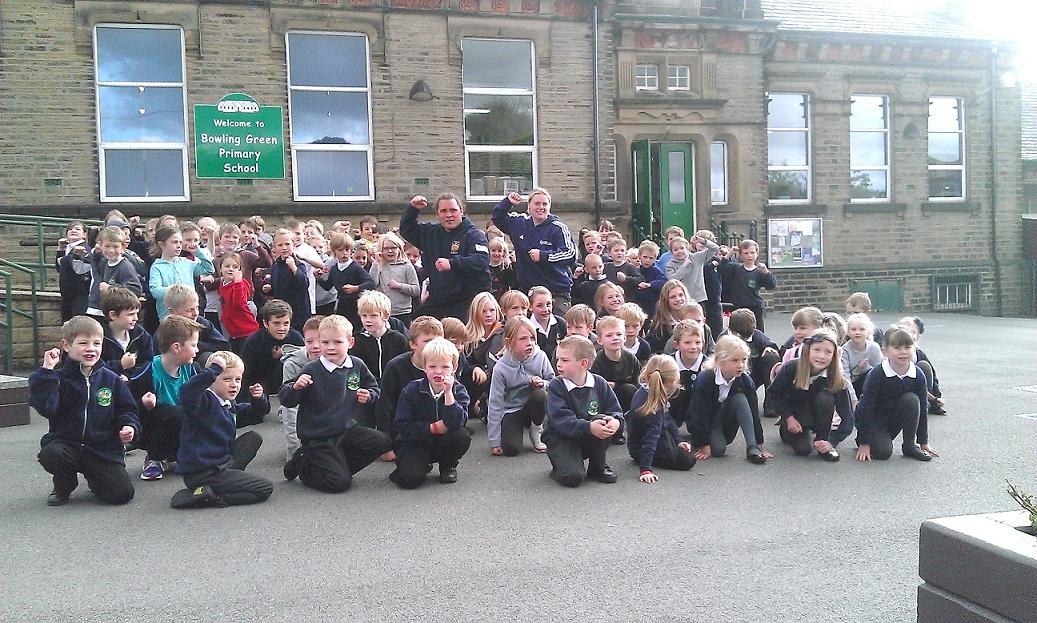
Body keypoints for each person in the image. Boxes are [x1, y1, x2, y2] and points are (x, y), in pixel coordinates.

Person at [29, 316, 139, 506]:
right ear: (66, 345)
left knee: (122, 494)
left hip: (101, 449)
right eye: (83, 343)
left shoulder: (111, 379)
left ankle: (96, 478)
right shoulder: (59, 378)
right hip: (67, 444)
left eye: (97, 343)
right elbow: (46, 407)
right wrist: (47, 370)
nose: (91, 348)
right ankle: (64, 481)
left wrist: (129, 426)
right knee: (51, 454)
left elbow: (127, 409)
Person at [279, 315, 393, 493]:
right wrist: (296, 387)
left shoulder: (356, 365)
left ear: (350, 342)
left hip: (346, 428)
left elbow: (374, 388)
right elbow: (286, 399)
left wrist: (368, 395)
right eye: (325, 342)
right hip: (318, 436)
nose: (330, 347)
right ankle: (305, 464)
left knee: (383, 441)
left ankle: (336, 467)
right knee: (339, 484)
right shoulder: (312, 369)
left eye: (337, 342)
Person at [170, 351, 273, 508]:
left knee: (253, 438)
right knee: (265, 488)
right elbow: (187, 392)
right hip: (203, 472)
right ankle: (210, 496)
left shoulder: (227, 403)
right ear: (211, 381)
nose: (234, 384)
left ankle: (221, 484)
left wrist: (258, 399)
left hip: (221, 463)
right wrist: (213, 370)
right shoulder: (202, 401)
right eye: (227, 379)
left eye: (238, 379)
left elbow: (254, 415)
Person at [390, 338, 473, 488]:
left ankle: (448, 465)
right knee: (410, 480)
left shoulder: (458, 390)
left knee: (461, 435)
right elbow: (402, 425)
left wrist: (448, 395)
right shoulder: (411, 390)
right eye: (432, 366)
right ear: (424, 367)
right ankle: (413, 466)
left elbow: (457, 423)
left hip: (444, 440)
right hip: (416, 443)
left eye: (445, 367)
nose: (438, 372)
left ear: (454, 367)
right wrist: (431, 428)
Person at [542, 336, 624, 487]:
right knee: (573, 478)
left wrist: (616, 422)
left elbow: (615, 410)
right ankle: (560, 466)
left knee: (603, 419)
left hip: (588, 435)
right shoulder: (556, 385)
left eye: (565, 360)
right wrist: (588, 427)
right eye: (558, 359)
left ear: (583, 363)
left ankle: (598, 467)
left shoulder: (599, 383)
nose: (558, 364)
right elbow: (560, 420)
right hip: (562, 438)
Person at [127, 315, 202, 481]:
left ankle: (176, 453)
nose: (197, 350)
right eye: (193, 345)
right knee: (174, 413)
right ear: (176, 347)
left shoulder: (192, 369)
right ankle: (155, 457)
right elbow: (126, 407)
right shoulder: (148, 372)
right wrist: (143, 404)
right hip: (152, 429)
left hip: (183, 429)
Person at [855, 326, 939, 462]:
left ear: (914, 349)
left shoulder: (918, 375)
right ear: (886, 351)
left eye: (907, 347)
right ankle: (865, 439)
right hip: (875, 420)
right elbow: (865, 408)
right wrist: (864, 442)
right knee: (883, 453)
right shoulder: (877, 374)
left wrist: (924, 441)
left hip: (895, 420)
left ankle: (909, 445)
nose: (903, 352)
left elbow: (922, 408)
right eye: (897, 348)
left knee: (912, 400)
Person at [400, 193, 490, 319]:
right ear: (437, 214)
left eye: (453, 210)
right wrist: (413, 208)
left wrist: (452, 263)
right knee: (419, 325)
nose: (448, 215)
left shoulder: (474, 235)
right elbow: (407, 229)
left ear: (461, 211)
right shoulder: (431, 233)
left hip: (468, 301)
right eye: (443, 211)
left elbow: (481, 260)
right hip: (439, 300)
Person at [767, 330, 851, 460]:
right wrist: (788, 417)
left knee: (826, 398)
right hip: (796, 417)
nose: (822, 356)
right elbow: (775, 394)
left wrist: (832, 441)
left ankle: (822, 439)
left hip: (819, 418)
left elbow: (848, 417)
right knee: (803, 450)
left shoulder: (835, 377)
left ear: (834, 354)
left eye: (828, 352)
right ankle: (789, 431)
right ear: (808, 350)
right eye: (817, 350)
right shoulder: (791, 367)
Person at [686, 335, 769, 464]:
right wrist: (703, 443)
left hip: (727, 420)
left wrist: (759, 442)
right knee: (718, 450)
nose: (740, 365)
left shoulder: (745, 380)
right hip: (709, 421)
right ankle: (697, 439)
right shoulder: (706, 379)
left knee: (740, 399)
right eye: (734, 360)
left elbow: (753, 411)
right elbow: (698, 413)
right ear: (720, 360)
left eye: (743, 360)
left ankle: (752, 446)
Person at [492, 189, 577, 313]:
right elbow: (497, 218)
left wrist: (543, 256)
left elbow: (570, 254)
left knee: (558, 327)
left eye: (545, 204)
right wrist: (508, 202)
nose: (541, 207)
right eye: (537, 204)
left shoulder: (558, 228)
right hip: (528, 291)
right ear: (529, 206)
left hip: (555, 291)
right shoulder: (519, 223)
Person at [487, 316, 555, 456]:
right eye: (523, 339)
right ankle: (514, 432)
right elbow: (495, 403)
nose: (529, 343)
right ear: (509, 342)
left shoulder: (540, 356)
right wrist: (494, 441)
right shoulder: (500, 368)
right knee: (511, 450)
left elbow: (553, 382)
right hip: (512, 410)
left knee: (540, 394)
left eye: (532, 338)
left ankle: (537, 431)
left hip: (534, 408)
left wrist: (543, 383)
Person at [626, 355, 696, 483]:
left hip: (636, 445)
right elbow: (651, 438)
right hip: (640, 450)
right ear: (671, 382)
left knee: (683, 445)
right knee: (688, 460)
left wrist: (678, 440)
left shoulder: (643, 392)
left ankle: (674, 445)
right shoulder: (654, 408)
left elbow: (667, 418)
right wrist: (645, 469)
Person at [375, 316, 445, 440]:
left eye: (437, 341)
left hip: (436, 428)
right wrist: (385, 444)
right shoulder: (395, 367)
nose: (433, 346)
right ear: (412, 343)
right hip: (405, 430)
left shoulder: (445, 366)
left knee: (460, 436)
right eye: (427, 341)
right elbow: (385, 406)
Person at [279, 315, 324, 463]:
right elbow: (289, 407)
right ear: (303, 341)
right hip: (300, 409)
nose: (315, 346)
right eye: (310, 341)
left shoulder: (339, 358)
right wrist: (293, 446)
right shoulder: (292, 365)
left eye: (320, 340)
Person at [590, 316, 640, 446]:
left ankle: (624, 429)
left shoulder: (631, 358)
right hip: (603, 397)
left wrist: (617, 385)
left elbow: (639, 383)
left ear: (624, 337)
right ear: (600, 340)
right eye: (609, 335)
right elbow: (592, 386)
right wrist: (604, 385)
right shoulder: (597, 361)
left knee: (629, 390)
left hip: (624, 396)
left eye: (619, 334)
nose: (615, 338)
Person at [149, 226, 215, 323]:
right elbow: (155, 291)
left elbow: (209, 269)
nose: (179, 245)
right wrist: (177, 290)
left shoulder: (186, 262)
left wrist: (197, 252)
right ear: (161, 244)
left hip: (190, 315)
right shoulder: (157, 267)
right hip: (170, 318)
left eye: (180, 242)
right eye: (174, 242)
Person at [241, 299, 305, 396]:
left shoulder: (296, 338)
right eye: (276, 323)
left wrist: (284, 356)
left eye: (286, 323)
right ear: (266, 323)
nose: (282, 328)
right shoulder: (254, 342)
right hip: (261, 388)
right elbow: (248, 374)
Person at [163, 284, 231, 367]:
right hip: (175, 369)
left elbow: (224, 345)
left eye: (197, 308)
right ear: (172, 311)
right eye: (189, 310)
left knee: (207, 357)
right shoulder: (165, 331)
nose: (196, 313)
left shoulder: (201, 323)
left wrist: (196, 346)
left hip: (200, 366)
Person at [83, 226, 143, 319]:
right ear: (100, 245)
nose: (111, 250)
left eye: (115, 247)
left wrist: (110, 289)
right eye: (107, 246)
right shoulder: (104, 262)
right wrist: (95, 252)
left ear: (123, 247)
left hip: (117, 314)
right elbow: (94, 264)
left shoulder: (125, 266)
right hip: (100, 309)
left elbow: (135, 289)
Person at [719, 239, 777, 332]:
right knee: (738, 331)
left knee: (757, 331)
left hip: (755, 307)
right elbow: (721, 268)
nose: (749, 255)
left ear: (757, 254)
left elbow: (771, 286)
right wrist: (729, 253)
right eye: (746, 253)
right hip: (738, 307)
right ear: (741, 255)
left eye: (752, 252)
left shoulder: (759, 271)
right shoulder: (735, 268)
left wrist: (766, 273)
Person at [351, 291, 409, 383]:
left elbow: (404, 368)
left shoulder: (399, 339)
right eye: (364, 316)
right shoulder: (357, 341)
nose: (368, 320)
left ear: (385, 316)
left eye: (373, 316)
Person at [321, 233, 375, 328]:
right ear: (334, 252)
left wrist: (356, 288)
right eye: (340, 250)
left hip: (356, 305)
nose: (344, 253)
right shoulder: (334, 269)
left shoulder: (356, 267)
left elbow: (370, 283)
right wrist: (318, 278)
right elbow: (327, 286)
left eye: (347, 250)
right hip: (341, 306)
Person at [99, 286, 153, 379]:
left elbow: (147, 363)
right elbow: (95, 368)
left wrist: (129, 376)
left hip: (134, 386)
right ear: (113, 315)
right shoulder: (98, 338)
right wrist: (120, 365)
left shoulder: (140, 335)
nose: (136, 318)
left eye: (137, 313)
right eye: (131, 314)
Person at [265, 229, 312, 331]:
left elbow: (304, 284)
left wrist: (294, 268)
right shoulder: (275, 266)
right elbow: (278, 289)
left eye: (287, 244)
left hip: (298, 314)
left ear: (293, 245)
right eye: (280, 245)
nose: (284, 248)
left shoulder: (299, 265)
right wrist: (269, 289)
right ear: (275, 247)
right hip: (282, 313)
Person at [369, 232, 420, 327]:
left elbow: (416, 290)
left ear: (399, 249)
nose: (390, 251)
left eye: (393, 248)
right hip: (382, 312)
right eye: (386, 248)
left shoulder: (406, 266)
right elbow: (371, 285)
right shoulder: (378, 265)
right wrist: (376, 263)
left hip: (403, 312)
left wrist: (399, 286)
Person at [667, 319, 707, 430]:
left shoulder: (707, 366)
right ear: (676, 345)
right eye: (688, 342)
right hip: (673, 408)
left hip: (698, 410)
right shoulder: (668, 363)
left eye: (697, 342)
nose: (693, 346)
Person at [217, 252, 260, 353]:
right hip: (234, 331)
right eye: (227, 266)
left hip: (247, 330)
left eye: (235, 267)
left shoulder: (241, 284)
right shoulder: (222, 284)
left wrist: (237, 283)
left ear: (240, 270)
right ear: (220, 269)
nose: (231, 269)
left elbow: (239, 303)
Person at [664, 234, 719, 308]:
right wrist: (684, 267)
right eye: (675, 250)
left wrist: (702, 240)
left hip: (699, 299)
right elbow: (672, 280)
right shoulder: (669, 265)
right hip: (681, 301)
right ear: (671, 252)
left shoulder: (697, 257)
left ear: (687, 248)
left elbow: (715, 248)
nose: (679, 251)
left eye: (682, 248)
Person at [841, 312, 883, 401]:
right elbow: (845, 377)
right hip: (851, 386)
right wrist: (853, 400)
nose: (857, 332)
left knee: (870, 373)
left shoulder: (874, 347)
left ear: (868, 332)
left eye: (862, 329)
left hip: (871, 385)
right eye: (853, 329)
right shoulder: (844, 350)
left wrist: (866, 368)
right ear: (848, 332)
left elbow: (879, 373)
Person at [56, 220, 92, 321]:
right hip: (67, 293)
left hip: (80, 292)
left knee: (78, 322)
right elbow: (59, 268)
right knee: (67, 324)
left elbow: (75, 266)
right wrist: (60, 250)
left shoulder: (84, 248)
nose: (73, 230)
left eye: (77, 229)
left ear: (84, 234)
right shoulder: (67, 248)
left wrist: (64, 260)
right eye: (70, 229)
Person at [647, 280, 690, 353]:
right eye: (673, 297)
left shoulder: (695, 318)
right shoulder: (659, 325)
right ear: (666, 300)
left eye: (681, 295)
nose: (678, 299)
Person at [528, 285, 566, 365]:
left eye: (548, 304)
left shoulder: (561, 323)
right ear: (530, 307)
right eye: (539, 306)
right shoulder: (527, 327)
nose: (545, 309)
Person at [604, 238, 644, 304]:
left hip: (628, 301)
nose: (619, 253)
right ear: (609, 253)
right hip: (611, 301)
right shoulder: (606, 266)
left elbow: (640, 279)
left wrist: (626, 279)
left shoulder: (630, 267)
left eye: (622, 250)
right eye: (616, 251)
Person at [634, 240, 666, 319]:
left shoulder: (656, 270)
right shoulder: (636, 270)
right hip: (639, 304)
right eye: (645, 257)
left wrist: (650, 284)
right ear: (639, 256)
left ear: (655, 258)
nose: (647, 260)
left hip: (652, 305)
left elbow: (664, 282)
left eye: (651, 258)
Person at [488, 236, 517, 301]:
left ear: (503, 253)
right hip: (488, 299)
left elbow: (513, 283)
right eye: (493, 250)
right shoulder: (485, 266)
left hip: (503, 300)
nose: (496, 253)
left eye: (499, 251)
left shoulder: (506, 267)